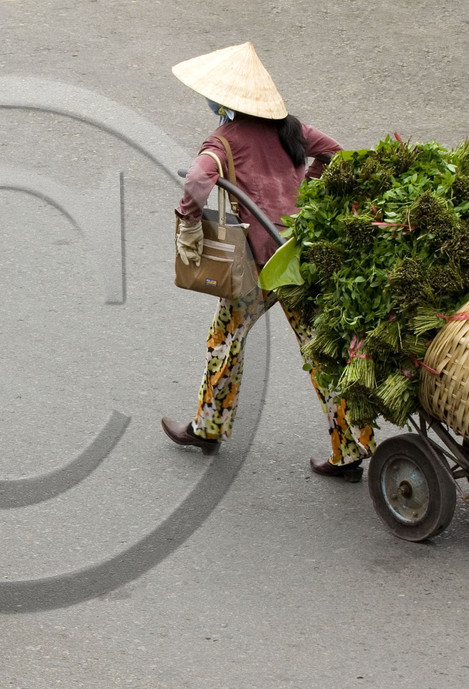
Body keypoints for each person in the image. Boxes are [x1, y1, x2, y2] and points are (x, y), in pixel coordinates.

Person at [158, 42, 373, 481]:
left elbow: (199, 180)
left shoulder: (225, 140)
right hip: (302, 256)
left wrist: (188, 222)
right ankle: (350, 448)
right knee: (320, 352)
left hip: (260, 266)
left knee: (225, 341)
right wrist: (308, 188)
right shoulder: (291, 129)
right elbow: (338, 154)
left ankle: (208, 428)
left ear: (224, 102)